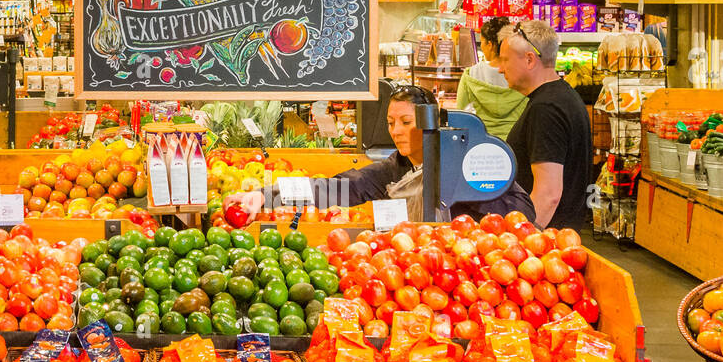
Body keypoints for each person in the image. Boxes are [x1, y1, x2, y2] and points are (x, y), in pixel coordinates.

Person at [226, 82, 535, 225]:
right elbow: (337, 187)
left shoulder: (464, 165)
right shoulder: (395, 171)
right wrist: (266, 195)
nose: (396, 131)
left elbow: (523, 212)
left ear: (432, 123)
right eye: (390, 123)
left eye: (406, 122)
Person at [497, 20, 593, 230]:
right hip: (562, 236)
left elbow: (548, 195)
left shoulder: (546, 109)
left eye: (505, 60)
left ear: (530, 59)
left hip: (548, 241)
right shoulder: (563, 96)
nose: (499, 68)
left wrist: (523, 241)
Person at [455, 16, 527, 140]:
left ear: (489, 44)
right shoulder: (523, 75)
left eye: (482, 42)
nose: (481, 46)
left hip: (483, 143)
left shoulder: (471, 74)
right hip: (516, 144)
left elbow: (460, 115)